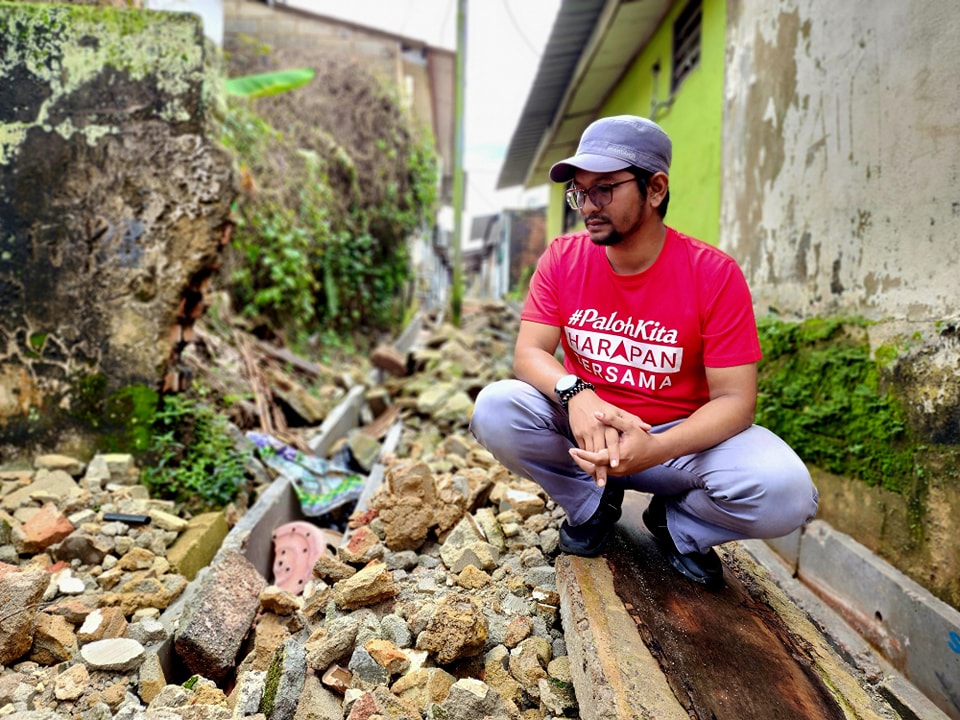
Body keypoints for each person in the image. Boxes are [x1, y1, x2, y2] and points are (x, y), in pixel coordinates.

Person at [470, 115, 818, 589]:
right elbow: (530, 353)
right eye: (580, 192)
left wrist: (655, 448)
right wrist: (578, 395)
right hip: (586, 435)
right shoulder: (562, 258)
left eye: (604, 190)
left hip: (677, 445)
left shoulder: (713, 275)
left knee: (788, 492)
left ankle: (680, 526)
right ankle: (592, 505)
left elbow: (737, 401)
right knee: (496, 407)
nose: (587, 206)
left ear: (655, 189)